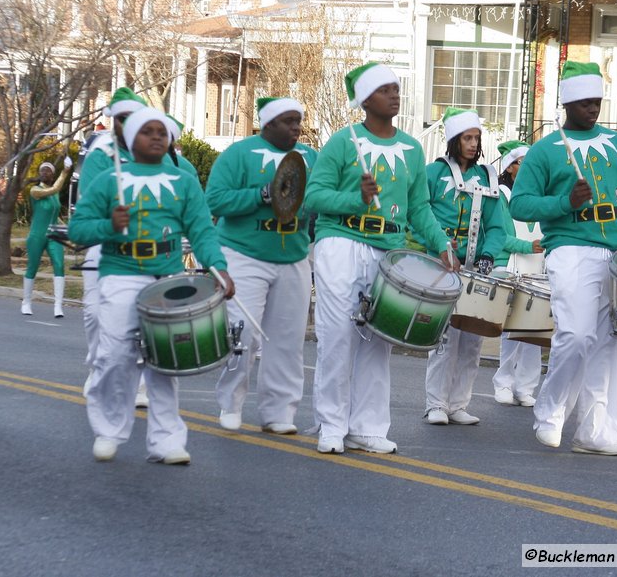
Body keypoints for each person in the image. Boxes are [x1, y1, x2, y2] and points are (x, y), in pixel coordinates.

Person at [510, 61, 617, 456]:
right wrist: (564, 202)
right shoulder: (544, 151)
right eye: (586, 102)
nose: (594, 109)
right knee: (576, 334)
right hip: (570, 247)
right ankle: (550, 411)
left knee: (608, 342)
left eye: (598, 102)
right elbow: (519, 205)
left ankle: (596, 430)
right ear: (568, 102)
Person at [304, 62, 457, 455]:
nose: (395, 94)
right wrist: (356, 198)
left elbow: (419, 207)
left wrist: (441, 243)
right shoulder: (342, 142)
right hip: (340, 242)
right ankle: (332, 424)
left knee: (377, 339)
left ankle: (367, 427)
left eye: (396, 87)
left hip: (389, 249)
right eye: (385, 88)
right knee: (338, 335)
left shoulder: (412, 148)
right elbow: (314, 198)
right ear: (366, 99)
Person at [69, 107, 235, 464]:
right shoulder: (108, 180)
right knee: (115, 355)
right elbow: (78, 229)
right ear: (132, 139)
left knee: (165, 359)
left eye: (163, 131)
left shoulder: (184, 182)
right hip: (121, 270)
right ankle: (108, 430)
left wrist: (218, 268)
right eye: (148, 131)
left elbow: (202, 231)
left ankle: (166, 441)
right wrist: (109, 226)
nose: (157, 136)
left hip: (167, 273)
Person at [206, 97, 317, 434]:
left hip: (294, 256)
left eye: (298, 120)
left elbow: (320, 198)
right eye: (288, 121)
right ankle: (230, 403)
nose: (296, 127)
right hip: (244, 254)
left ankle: (279, 412)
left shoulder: (311, 157)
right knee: (242, 333)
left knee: (287, 339)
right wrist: (261, 195)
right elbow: (215, 199)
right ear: (267, 124)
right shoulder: (239, 154)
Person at [422, 108, 506, 427]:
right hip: (441, 266)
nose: (473, 144)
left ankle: (458, 404)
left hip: (475, 271)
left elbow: (497, 226)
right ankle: (436, 404)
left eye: (476, 138)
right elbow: (420, 215)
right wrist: (439, 245)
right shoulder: (433, 173)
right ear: (454, 140)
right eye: (467, 138)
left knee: (472, 340)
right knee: (443, 339)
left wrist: (489, 255)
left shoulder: (487, 177)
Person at [78, 87, 149, 408]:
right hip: (107, 244)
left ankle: (142, 383)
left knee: (150, 318)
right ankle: (98, 365)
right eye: (121, 118)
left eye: (133, 118)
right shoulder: (100, 156)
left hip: (150, 249)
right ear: (113, 121)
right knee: (95, 313)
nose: (127, 124)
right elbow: (91, 204)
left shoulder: (159, 153)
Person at [491, 140, 543, 407]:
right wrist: (529, 246)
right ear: (510, 167)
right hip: (509, 265)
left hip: (537, 266)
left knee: (534, 329)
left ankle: (526, 386)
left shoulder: (538, 193)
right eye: (524, 162)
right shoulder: (501, 195)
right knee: (511, 329)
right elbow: (500, 236)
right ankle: (503, 382)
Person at [21, 158, 73, 317]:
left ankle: (58, 305)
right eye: (42, 170)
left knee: (59, 265)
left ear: (52, 175)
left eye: (48, 171)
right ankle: (26, 302)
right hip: (37, 234)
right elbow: (55, 188)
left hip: (54, 234)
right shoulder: (35, 191)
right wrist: (65, 171)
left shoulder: (55, 196)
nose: (44, 173)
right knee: (33, 267)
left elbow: (55, 215)